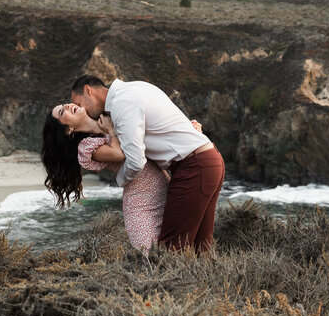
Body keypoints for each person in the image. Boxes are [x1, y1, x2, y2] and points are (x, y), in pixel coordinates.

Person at [70, 74, 224, 254]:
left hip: (194, 166)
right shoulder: (138, 87)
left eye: (80, 104)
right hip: (210, 159)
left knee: (169, 252)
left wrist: (121, 181)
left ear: (88, 91)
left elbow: (135, 161)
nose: (84, 111)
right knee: (200, 249)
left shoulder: (122, 103)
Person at [40, 102, 171, 252]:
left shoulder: (111, 115)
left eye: (65, 104)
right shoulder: (87, 146)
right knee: (151, 259)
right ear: (68, 130)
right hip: (141, 205)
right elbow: (119, 154)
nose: (68, 106)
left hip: (166, 189)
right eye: (62, 112)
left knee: (179, 249)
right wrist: (110, 130)